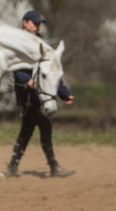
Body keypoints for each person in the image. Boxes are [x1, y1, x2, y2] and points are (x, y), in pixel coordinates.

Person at [6, 10, 75, 178]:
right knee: (41, 128)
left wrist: (63, 93)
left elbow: (51, 71)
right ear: (25, 22)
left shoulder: (41, 44)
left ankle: (14, 165)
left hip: (41, 96)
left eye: (38, 24)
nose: (37, 26)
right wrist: (26, 80)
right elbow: (16, 70)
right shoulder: (18, 44)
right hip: (28, 97)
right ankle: (53, 166)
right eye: (34, 23)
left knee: (30, 129)